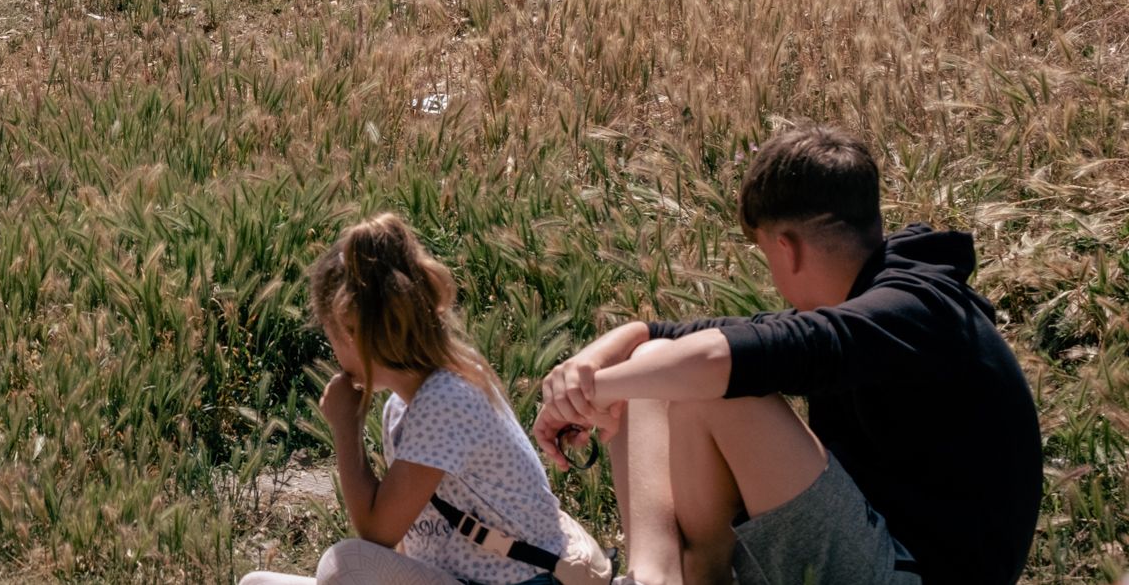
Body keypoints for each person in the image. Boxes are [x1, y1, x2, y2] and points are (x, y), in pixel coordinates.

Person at [534, 125, 1043, 585]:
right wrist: (602, 358)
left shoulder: (911, 310)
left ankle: (676, 577)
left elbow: (721, 359)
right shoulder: (883, 302)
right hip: (875, 544)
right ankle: (653, 576)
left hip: (910, 573)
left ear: (786, 248)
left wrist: (589, 392)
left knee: (713, 386)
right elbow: (675, 339)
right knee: (663, 365)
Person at [237, 213, 583, 585]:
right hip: (454, 578)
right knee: (256, 583)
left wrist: (345, 426)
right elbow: (402, 542)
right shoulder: (403, 406)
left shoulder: (447, 399)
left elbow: (376, 534)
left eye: (331, 335)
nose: (332, 350)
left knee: (344, 565)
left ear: (355, 332)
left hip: (519, 583)